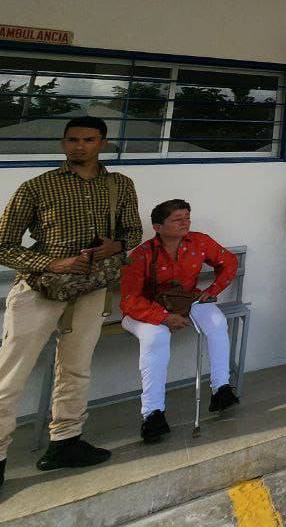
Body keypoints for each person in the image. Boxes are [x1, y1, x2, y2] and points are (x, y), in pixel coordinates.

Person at [0, 116, 143, 487]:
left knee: (77, 367)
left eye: (88, 139)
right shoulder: (37, 187)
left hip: (92, 288)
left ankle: (64, 442)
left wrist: (116, 245)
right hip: (40, 290)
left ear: (103, 144)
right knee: (10, 375)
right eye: (72, 140)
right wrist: (52, 261)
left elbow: (133, 232)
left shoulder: (120, 185)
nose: (79, 146)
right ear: (63, 143)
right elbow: (4, 244)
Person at [120, 200, 239, 443]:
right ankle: (153, 414)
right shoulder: (142, 254)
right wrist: (163, 317)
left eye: (187, 217)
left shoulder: (199, 241)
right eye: (177, 219)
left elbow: (228, 261)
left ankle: (222, 389)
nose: (185, 223)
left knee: (216, 320)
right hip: (144, 311)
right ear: (157, 226)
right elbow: (130, 300)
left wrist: (214, 288)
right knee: (157, 336)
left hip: (185, 302)